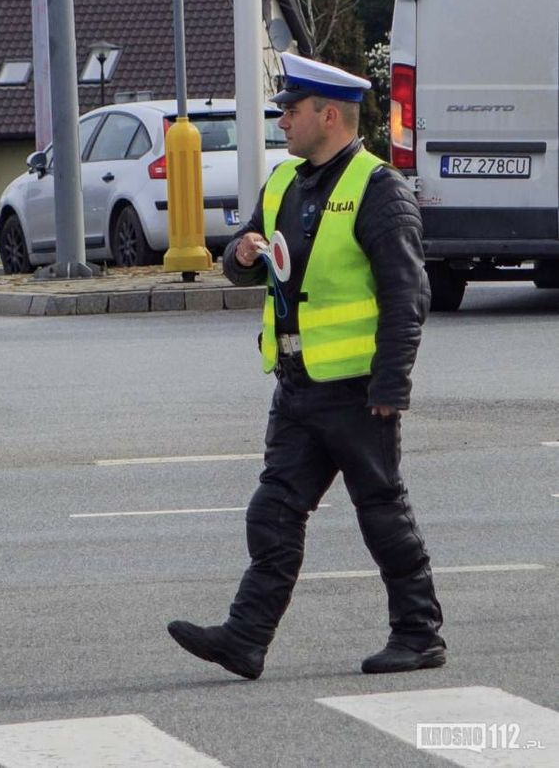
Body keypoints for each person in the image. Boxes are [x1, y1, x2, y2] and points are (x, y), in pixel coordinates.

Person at [167, 53, 445, 679]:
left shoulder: (378, 189)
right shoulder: (285, 182)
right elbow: (243, 262)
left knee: (381, 512)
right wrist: (239, 253)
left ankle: (419, 633)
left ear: (329, 115)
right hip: (296, 385)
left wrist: (391, 383)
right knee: (273, 512)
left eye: (291, 111)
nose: (283, 121)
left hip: (355, 392)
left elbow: (409, 295)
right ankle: (245, 638)